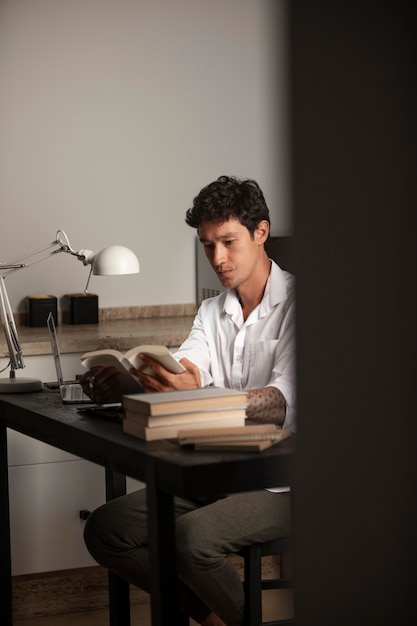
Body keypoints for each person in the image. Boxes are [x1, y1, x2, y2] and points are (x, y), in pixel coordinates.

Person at [80, 175, 296, 626]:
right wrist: (126, 382)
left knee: (190, 539)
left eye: (228, 242)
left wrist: (200, 395)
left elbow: (279, 402)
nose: (217, 258)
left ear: (261, 232)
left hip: (285, 480)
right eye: (206, 245)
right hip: (215, 469)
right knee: (106, 531)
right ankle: (214, 618)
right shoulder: (212, 311)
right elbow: (182, 371)